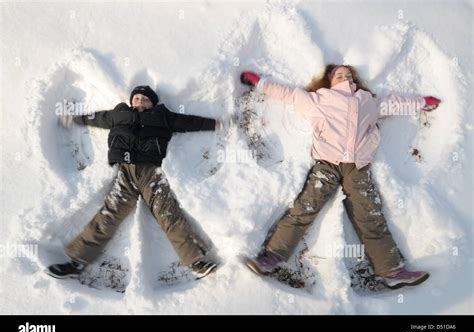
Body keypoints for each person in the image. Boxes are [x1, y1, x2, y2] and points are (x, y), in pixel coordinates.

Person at [240, 65, 441, 289]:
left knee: (370, 216)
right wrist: (260, 82)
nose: (345, 77)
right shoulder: (320, 99)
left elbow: (396, 104)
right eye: (339, 74)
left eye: (348, 74)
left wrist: (422, 102)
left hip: (358, 168)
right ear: (330, 80)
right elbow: (289, 94)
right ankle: (272, 257)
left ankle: (391, 270)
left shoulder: (368, 101)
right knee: (306, 208)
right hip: (327, 165)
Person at [47, 85, 223, 280]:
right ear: (131, 101)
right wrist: (74, 119)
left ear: (153, 103)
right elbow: (97, 118)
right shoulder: (118, 114)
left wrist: (214, 123)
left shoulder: (162, 116)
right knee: (109, 214)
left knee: (169, 213)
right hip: (125, 173)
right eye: (137, 98)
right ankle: (77, 260)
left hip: (151, 174)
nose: (140, 101)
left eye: (145, 99)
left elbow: (188, 122)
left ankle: (195, 261)